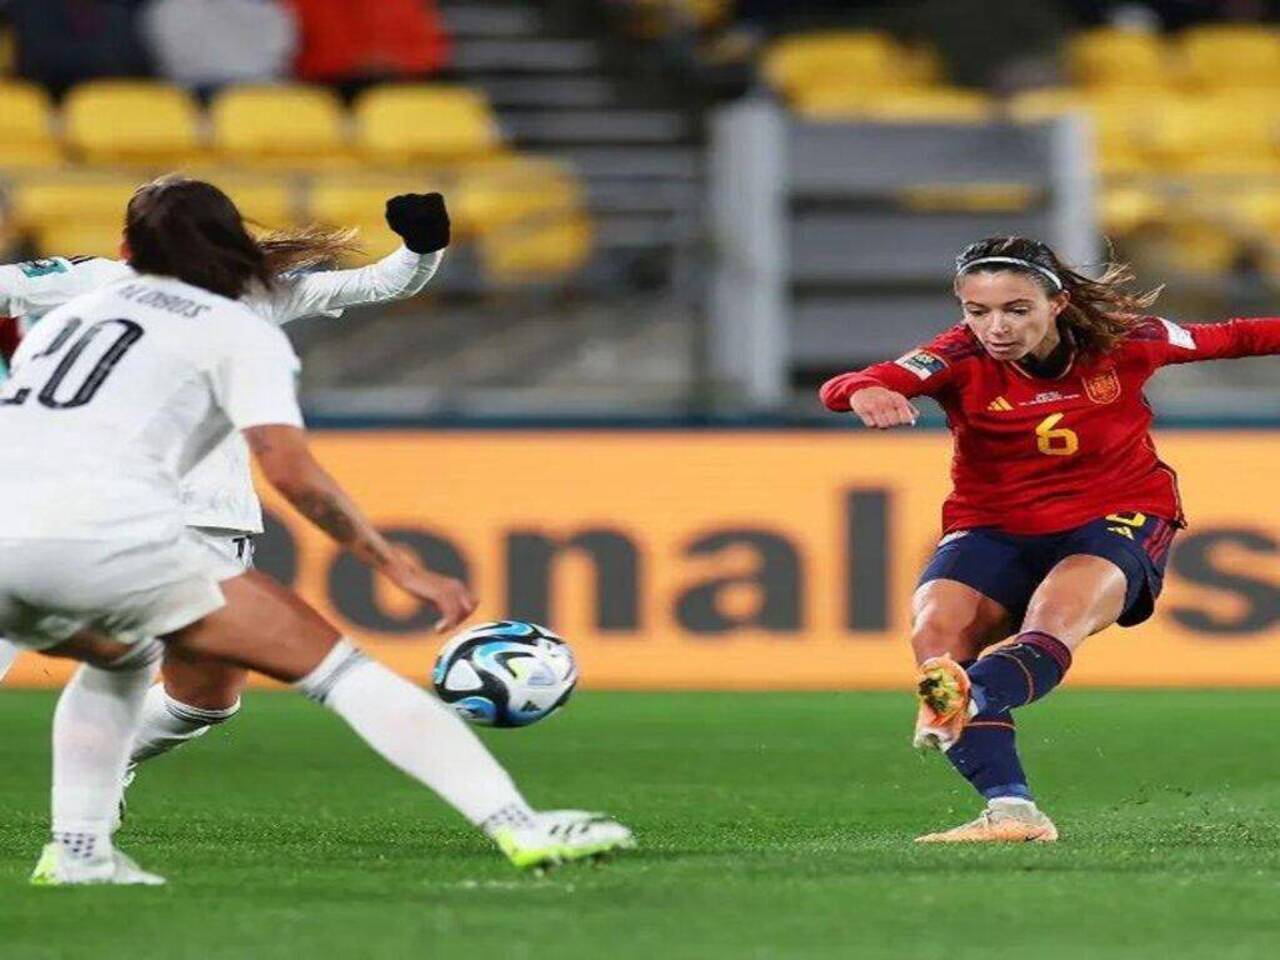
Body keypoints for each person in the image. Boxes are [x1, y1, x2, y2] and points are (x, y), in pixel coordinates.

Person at [0, 176, 634, 884]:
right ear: (233, 242)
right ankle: (520, 825)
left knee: (131, 670)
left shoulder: (71, 315)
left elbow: (380, 282)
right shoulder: (233, 320)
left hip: (22, 517)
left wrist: (422, 249)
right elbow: (291, 470)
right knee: (341, 673)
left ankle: (81, 852)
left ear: (127, 245)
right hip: (118, 528)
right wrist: (396, 564)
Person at [819, 235, 1280, 843]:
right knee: (936, 633)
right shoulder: (954, 357)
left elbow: (1238, 336)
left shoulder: (1126, 342)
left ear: (1056, 303)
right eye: (978, 311)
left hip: (1118, 512)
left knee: (1056, 614)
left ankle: (967, 697)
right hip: (993, 524)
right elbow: (851, 384)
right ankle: (1012, 813)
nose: (996, 327)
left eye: (1016, 310)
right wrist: (866, 391)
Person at [0, 189, 455, 798]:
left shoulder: (251, 295)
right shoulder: (89, 283)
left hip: (204, 519)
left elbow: (381, 283)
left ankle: (106, 759)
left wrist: (423, 245)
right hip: (87, 502)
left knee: (205, 700)